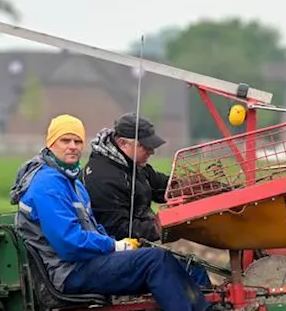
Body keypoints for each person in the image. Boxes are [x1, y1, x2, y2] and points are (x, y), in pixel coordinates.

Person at [14, 114, 256, 311]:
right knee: (154, 261)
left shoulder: (71, 182)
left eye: (77, 141)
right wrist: (114, 246)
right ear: (50, 142)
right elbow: (69, 244)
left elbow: (93, 227)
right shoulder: (48, 185)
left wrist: (118, 246)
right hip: (69, 272)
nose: (73, 146)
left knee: (168, 259)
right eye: (66, 140)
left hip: (82, 263)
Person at [83, 113, 213, 288]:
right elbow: (118, 229)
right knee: (191, 273)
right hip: (116, 255)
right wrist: (162, 226)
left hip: (139, 249)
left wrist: (204, 189)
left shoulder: (134, 165)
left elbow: (164, 187)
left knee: (194, 268)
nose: (152, 151)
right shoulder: (102, 179)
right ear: (122, 143)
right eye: (145, 146)